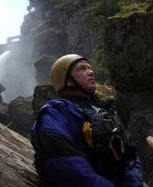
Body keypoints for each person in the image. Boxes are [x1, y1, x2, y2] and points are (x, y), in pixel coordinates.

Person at [31, 54, 143, 187]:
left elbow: (131, 155)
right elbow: (59, 158)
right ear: (68, 81)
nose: (91, 72)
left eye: (90, 68)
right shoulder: (56, 110)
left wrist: (133, 183)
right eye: (82, 69)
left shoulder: (103, 112)